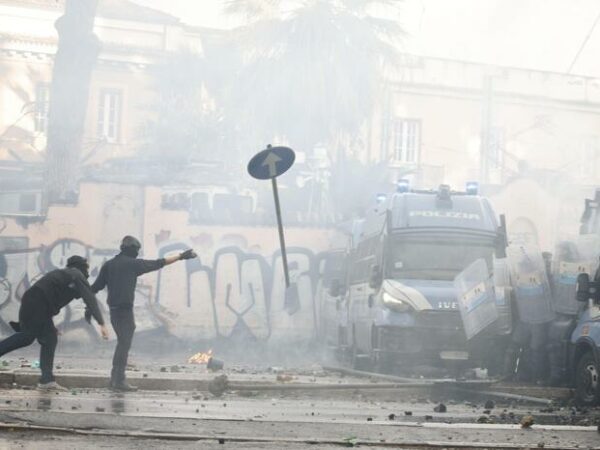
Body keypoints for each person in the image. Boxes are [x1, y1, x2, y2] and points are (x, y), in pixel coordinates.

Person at [91, 236, 196, 392]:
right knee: (123, 344)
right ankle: (118, 381)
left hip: (114, 310)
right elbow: (159, 263)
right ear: (133, 249)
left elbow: (96, 287)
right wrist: (181, 256)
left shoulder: (109, 265)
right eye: (137, 250)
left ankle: (115, 379)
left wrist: (78, 293)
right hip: (124, 311)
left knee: (122, 343)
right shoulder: (133, 264)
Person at [0, 255, 108, 390]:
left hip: (33, 301)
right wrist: (101, 323)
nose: (87, 272)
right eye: (86, 268)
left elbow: (51, 296)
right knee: (31, 337)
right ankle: (46, 380)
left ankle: (47, 380)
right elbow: (89, 297)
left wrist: (49, 324)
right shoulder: (76, 274)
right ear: (81, 266)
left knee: (42, 338)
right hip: (37, 303)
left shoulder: (65, 275)